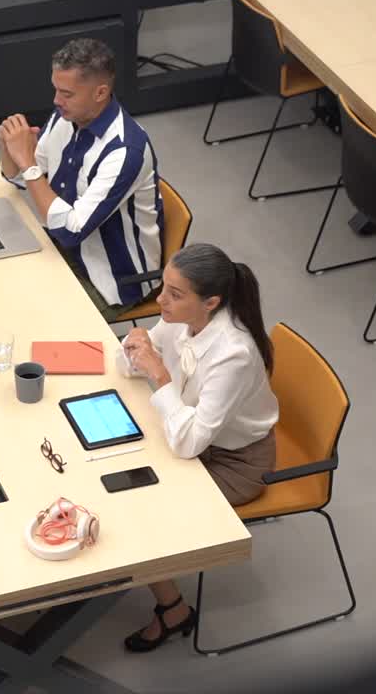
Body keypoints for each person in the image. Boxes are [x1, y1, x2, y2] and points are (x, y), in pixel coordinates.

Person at [116, 243, 279, 653]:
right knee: (116, 474)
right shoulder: (181, 317)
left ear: (211, 302)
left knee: (142, 510)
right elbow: (133, 364)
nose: (159, 300)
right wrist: (136, 349)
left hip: (236, 461)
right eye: (163, 287)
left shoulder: (234, 354)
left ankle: (173, 610)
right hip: (189, 430)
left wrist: (158, 373)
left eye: (174, 293)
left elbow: (188, 443)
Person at [0, 37, 163, 320]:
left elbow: (70, 230)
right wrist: (9, 149)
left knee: (30, 318)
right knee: (0, 285)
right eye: (56, 90)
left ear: (100, 93)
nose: (56, 101)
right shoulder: (66, 117)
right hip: (64, 247)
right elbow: (25, 178)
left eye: (67, 94)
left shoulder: (125, 152)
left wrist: (26, 161)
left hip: (111, 279)